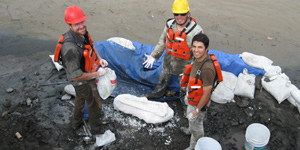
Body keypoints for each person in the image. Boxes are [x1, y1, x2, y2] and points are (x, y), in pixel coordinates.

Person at [54, 5, 108, 135]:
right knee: (94, 103)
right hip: (80, 80)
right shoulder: (70, 49)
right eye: (77, 24)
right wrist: (97, 74)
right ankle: (97, 131)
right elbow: (76, 76)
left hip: (87, 73)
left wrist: (99, 59)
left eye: (82, 22)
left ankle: (75, 123)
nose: (81, 26)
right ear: (69, 25)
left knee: (80, 98)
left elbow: (91, 45)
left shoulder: (82, 33)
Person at [143, 0, 203, 111]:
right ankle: (158, 94)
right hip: (169, 60)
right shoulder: (169, 25)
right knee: (163, 77)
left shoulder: (196, 31)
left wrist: (195, 67)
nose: (179, 17)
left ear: (188, 14)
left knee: (185, 86)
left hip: (186, 64)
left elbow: (200, 52)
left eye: (183, 14)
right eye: (176, 14)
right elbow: (162, 42)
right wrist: (154, 56)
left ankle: (186, 105)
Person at [182, 33, 218, 150]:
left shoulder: (207, 69)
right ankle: (190, 130)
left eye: (200, 47)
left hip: (198, 102)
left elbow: (206, 93)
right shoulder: (198, 58)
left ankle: (194, 145)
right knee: (193, 123)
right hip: (193, 95)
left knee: (197, 127)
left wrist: (196, 111)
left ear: (207, 48)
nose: (196, 50)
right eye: (194, 46)